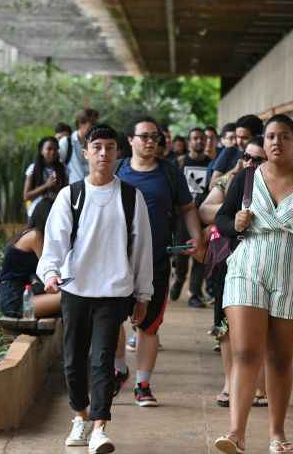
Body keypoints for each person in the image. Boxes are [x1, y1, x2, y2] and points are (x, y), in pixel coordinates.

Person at [213, 114, 293, 454]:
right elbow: (222, 218)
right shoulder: (248, 178)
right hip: (247, 266)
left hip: (292, 269)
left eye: (283, 136)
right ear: (263, 143)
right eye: (269, 137)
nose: (276, 142)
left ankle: (277, 434)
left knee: (279, 358)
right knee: (245, 352)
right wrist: (234, 222)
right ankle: (236, 433)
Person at [37, 124, 154, 451]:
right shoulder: (70, 196)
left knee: (102, 359)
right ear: (86, 153)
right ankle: (80, 416)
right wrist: (49, 273)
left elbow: (143, 249)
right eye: (97, 147)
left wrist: (143, 294)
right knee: (73, 360)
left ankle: (100, 427)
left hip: (114, 292)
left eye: (110, 148)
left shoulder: (131, 197)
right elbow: (54, 244)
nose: (104, 153)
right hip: (75, 290)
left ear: (119, 153)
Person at [116, 116, 202, 407]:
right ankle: (118, 371)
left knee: (149, 326)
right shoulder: (117, 170)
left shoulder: (169, 173)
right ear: (130, 140)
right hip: (116, 261)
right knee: (113, 319)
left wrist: (196, 238)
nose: (151, 141)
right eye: (144, 136)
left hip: (156, 260)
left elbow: (188, 207)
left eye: (155, 137)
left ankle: (143, 384)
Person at [199, 136, 269, 410]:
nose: (250, 163)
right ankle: (230, 382)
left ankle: (260, 386)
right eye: (247, 157)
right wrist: (235, 211)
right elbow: (205, 210)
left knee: (263, 324)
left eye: (257, 159)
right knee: (226, 325)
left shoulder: (279, 182)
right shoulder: (230, 180)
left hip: (265, 261)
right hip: (228, 259)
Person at [0, 198, 60, 318]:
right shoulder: (35, 237)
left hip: (24, 293)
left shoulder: (30, 233)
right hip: (16, 300)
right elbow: (48, 268)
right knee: (69, 297)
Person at [171, 127, 212, 307]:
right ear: (189, 142)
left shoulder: (212, 164)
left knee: (200, 254)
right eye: (195, 138)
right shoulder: (180, 162)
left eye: (202, 138)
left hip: (202, 215)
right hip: (182, 215)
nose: (199, 141)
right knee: (181, 255)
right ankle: (179, 279)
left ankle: (195, 293)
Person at [210, 115, 264, 187]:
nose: (239, 142)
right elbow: (212, 185)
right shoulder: (229, 152)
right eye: (237, 137)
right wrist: (234, 171)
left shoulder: (265, 157)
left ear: (257, 137)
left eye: (244, 138)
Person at [23, 136, 67, 219]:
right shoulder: (33, 169)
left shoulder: (63, 169)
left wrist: (56, 188)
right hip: (37, 213)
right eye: (49, 149)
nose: (53, 152)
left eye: (55, 149)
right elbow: (26, 196)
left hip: (56, 212)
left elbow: (66, 193)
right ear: (41, 151)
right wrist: (46, 185)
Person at [60, 108, 100, 184]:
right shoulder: (67, 142)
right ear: (81, 124)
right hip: (73, 188)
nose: (95, 127)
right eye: (92, 124)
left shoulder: (96, 144)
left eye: (96, 124)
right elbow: (59, 164)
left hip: (92, 186)